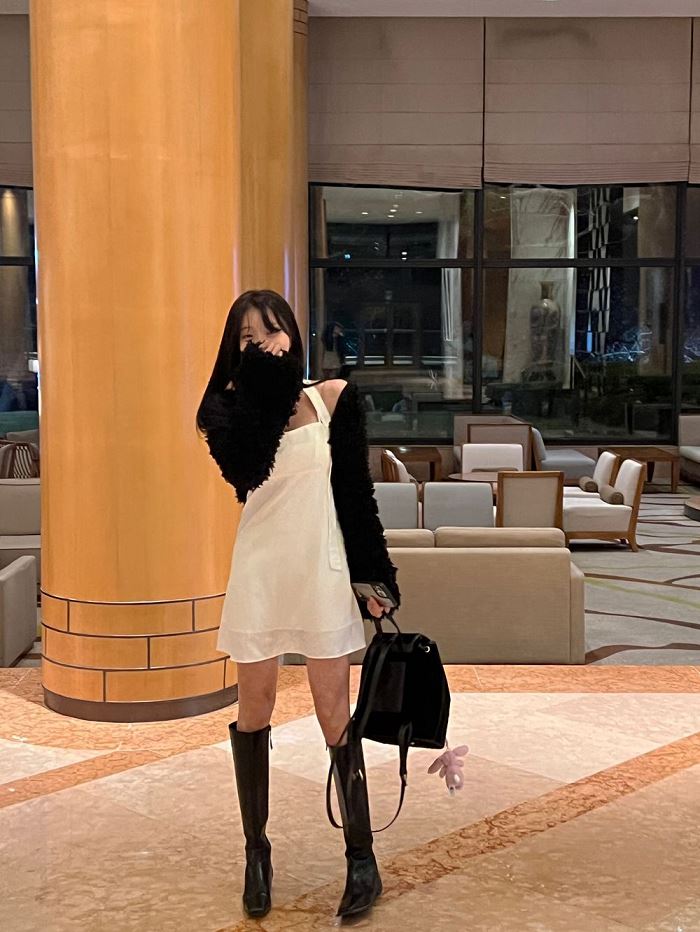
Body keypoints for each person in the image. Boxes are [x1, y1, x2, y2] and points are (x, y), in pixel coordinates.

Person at [197, 290, 400, 921]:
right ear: (234, 348)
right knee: (253, 711)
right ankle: (257, 854)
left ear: (293, 332)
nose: (265, 343)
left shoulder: (333, 397)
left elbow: (355, 494)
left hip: (322, 570)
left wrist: (374, 577)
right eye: (249, 337)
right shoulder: (221, 410)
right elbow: (247, 471)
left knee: (333, 712)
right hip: (261, 571)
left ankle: (362, 857)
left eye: (273, 330)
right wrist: (261, 384)